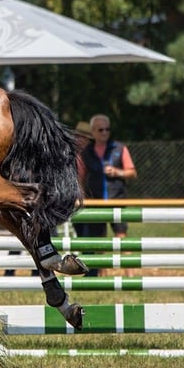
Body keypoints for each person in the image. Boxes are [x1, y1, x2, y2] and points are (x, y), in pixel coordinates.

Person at [77, 114, 138, 276]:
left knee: (121, 236)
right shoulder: (86, 152)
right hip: (95, 201)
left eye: (107, 129)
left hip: (117, 198)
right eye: (100, 129)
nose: (104, 132)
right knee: (99, 239)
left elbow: (132, 173)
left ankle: (129, 274)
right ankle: (100, 275)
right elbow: (81, 176)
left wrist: (117, 172)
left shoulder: (120, 148)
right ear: (93, 131)